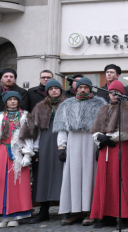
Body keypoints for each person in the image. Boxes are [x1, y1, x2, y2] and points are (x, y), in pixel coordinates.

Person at [53, 77, 107, 226]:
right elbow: (62, 128)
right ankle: (75, 211)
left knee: (91, 176)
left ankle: (90, 211)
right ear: (76, 88)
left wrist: (99, 146)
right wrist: (61, 147)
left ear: (90, 89)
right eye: (80, 87)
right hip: (73, 143)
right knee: (73, 176)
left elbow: (103, 127)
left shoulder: (100, 104)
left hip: (92, 141)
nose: (83, 90)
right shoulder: (67, 105)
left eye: (86, 87)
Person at [89, 80, 128, 229]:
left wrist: (108, 138)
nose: (113, 95)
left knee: (121, 181)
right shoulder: (104, 109)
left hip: (121, 149)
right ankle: (107, 216)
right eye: (111, 92)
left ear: (122, 93)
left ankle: (123, 217)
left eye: (116, 92)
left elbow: (126, 132)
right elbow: (96, 130)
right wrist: (100, 137)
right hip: (106, 149)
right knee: (106, 182)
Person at [19, 79, 66, 224]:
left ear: (60, 90)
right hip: (45, 143)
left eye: (56, 88)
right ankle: (44, 211)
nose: (54, 91)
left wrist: (65, 146)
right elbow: (35, 130)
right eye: (51, 89)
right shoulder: (39, 107)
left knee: (63, 177)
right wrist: (36, 150)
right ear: (47, 91)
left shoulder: (67, 105)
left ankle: (66, 211)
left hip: (62, 143)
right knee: (43, 176)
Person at [0, 92, 33, 227]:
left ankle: (16, 215)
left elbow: (29, 136)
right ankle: (3, 216)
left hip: (18, 152)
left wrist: (27, 154)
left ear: (19, 101)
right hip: (2, 151)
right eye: (10, 99)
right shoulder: (1, 116)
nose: (12, 102)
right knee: (2, 183)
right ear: (5, 102)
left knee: (17, 184)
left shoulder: (25, 116)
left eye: (15, 99)